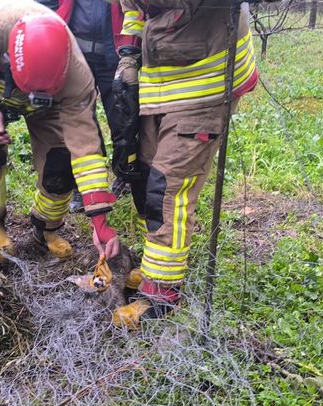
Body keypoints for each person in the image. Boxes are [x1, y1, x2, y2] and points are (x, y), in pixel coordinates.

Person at [110, 0, 270, 328]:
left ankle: (161, 294)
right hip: (159, 80)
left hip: (206, 80)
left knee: (168, 186)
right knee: (147, 177)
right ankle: (156, 263)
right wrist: (129, 54)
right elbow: (132, 8)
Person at [0, 0, 122, 264]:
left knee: (60, 164)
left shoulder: (77, 75)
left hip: (45, 106)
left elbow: (86, 148)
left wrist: (99, 221)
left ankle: (45, 228)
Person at [39, 0, 138, 212]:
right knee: (80, 122)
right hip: (76, 54)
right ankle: (82, 184)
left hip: (113, 54)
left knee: (122, 120)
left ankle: (124, 174)